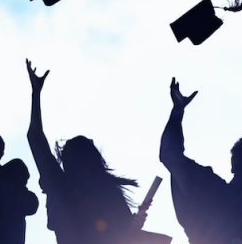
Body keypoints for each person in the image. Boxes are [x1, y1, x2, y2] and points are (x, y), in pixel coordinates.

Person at [26, 59, 150, 244]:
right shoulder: (105, 188)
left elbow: (35, 137)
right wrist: (134, 224)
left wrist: (36, 93)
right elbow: (124, 234)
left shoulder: (59, 183)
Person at [160, 78, 242, 244]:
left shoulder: (213, 190)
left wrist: (178, 111)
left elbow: (170, 155)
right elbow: (170, 156)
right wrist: (177, 111)